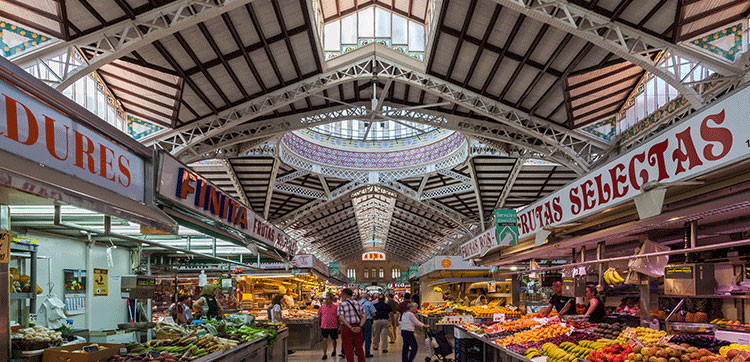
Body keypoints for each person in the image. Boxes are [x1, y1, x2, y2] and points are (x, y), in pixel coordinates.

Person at [337, 288, 366, 362]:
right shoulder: (358, 303)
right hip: (358, 327)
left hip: (347, 328)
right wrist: (360, 326)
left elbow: (341, 317)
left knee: (348, 348)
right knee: (359, 348)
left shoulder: (342, 304)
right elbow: (364, 316)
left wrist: (350, 327)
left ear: (345, 295)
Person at [318, 294, 338, 360]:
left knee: (334, 340)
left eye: (328, 299)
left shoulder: (335, 307)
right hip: (324, 326)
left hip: (333, 326)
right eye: (325, 299)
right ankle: (325, 354)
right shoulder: (322, 307)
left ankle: (334, 350)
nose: (326, 300)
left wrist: (339, 325)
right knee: (324, 340)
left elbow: (338, 317)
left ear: (331, 300)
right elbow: (319, 316)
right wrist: (319, 325)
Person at [358, 293, 377, 358]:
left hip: (358, 322)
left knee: (361, 337)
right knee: (368, 337)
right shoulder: (369, 303)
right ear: (367, 298)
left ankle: (357, 350)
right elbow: (373, 314)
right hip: (367, 321)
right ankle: (367, 353)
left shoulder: (357, 303)